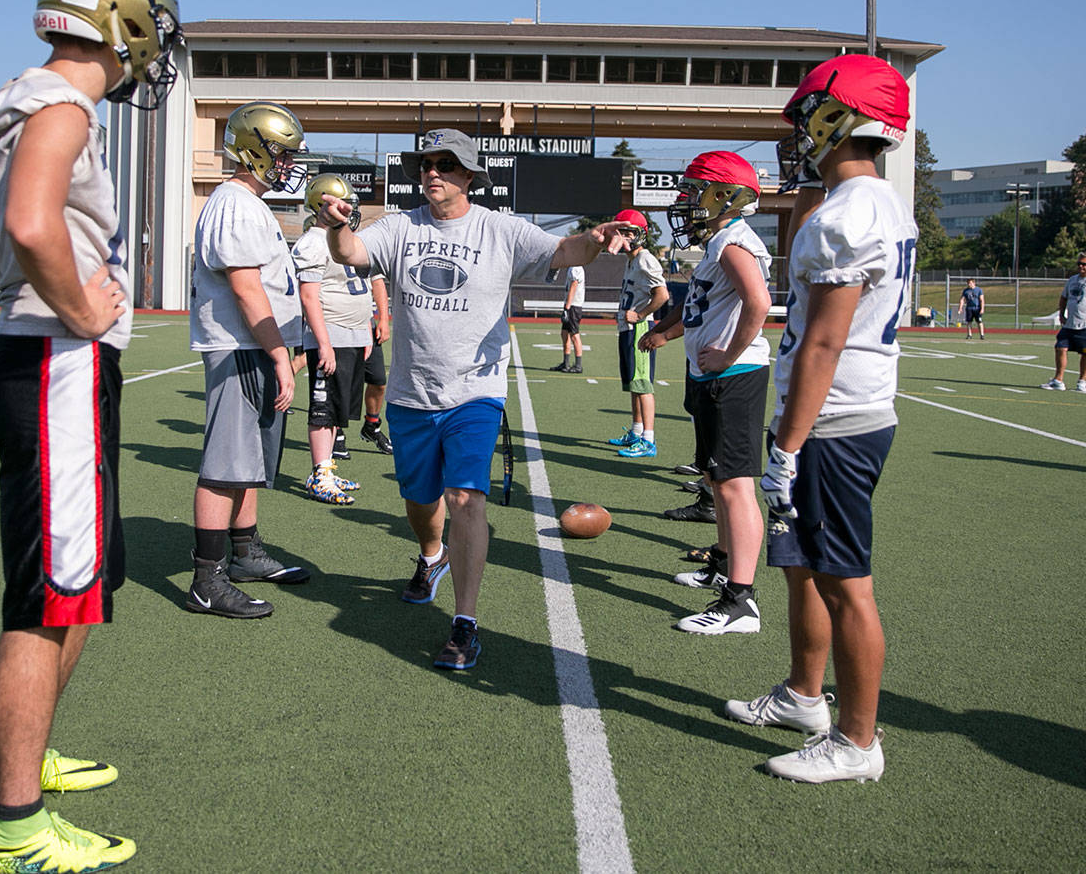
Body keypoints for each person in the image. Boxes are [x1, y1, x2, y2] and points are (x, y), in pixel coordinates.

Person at [0, 0, 181, 871]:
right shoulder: (59, 103)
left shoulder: (6, 100)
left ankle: (27, 754)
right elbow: (35, 224)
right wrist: (78, 303)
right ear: (120, 15)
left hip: (37, 359)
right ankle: (16, 823)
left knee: (79, 588)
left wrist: (19, 284)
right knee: (48, 601)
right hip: (56, 365)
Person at [317, 128, 633, 669]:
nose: (431, 172)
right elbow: (352, 251)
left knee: (466, 499)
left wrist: (597, 239)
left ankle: (465, 622)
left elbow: (563, 250)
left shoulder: (502, 230)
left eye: (444, 164)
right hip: (412, 394)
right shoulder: (399, 227)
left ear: (468, 175)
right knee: (421, 502)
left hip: (475, 392)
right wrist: (337, 225)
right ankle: (431, 555)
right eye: (426, 164)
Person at [724, 53, 917, 784]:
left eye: (810, 114)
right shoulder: (876, 203)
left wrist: (787, 445)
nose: (800, 130)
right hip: (843, 411)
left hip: (835, 420)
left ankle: (857, 742)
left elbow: (826, 341)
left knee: (844, 581)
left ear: (840, 116)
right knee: (802, 567)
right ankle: (807, 695)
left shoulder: (847, 214)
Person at [187, 100, 312, 620]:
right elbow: (246, 289)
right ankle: (206, 579)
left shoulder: (250, 203)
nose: (289, 165)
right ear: (254, 151)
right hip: (242, 347)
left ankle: (245, 553)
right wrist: (280, 355)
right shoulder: (234, 203)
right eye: (281, 154)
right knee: (225, 464)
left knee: (250, 461)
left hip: (256, 347)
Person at [639, 151, 772, 635]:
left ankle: (740, 601)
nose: (685, 202)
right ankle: (721, 562)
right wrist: (665, 336)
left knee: (735, 485)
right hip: (710, 376)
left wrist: (727, 356)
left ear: (723, 195)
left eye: (694, 192)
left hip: (732, 378)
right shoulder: (719, 242)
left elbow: (759, 303)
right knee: (717, 480)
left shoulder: (735, 243)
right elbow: (698, 311)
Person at [294, 174, 370, 504]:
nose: (347, 209)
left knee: (338, 408)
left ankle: (327, 467)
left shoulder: (342, 238)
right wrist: (323, 342)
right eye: (341, 203)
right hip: (331, 334)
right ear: (322, 204)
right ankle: (319, 473)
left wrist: (364, 330)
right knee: (323, 408)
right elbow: (309, 296)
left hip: (351, 334)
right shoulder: (312, 242)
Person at [606, 209, 669, 458]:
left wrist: (640, 314)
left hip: (639, 329)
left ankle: (648, 440)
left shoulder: (644, 258)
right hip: (627, 328)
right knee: (634, 383)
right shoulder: (632, 259)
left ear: (641, 235)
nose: (624, 237)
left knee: (643, 384)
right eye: (621, 232)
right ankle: (636, 430)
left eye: (629, 232)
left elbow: (662, 295)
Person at [358, 275, 396, 453]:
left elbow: (377, 282)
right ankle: (336, 432)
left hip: (366, 323)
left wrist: (383, 319)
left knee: (378, 380)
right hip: (337, 323)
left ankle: (371, 425)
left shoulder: (366, 251)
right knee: (341, 382)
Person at [1040, 254, 1086, 391]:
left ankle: (1082, 382)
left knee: (1085, 353)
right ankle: (1058, 380)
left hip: (1085, 325)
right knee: (1060, 347)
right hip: (1070, 323)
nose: (1081, 267)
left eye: (1084, 264)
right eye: (1079, 264)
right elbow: (1064, 298)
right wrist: (1061, 313)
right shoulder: (1072, 280)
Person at [550, 264, 585, 373]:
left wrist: (567, 307)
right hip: (570, 305)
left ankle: (578, 365)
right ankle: (566, 363)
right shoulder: (572, 267)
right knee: (564, 333)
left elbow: (574, 285)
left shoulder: (576, 267)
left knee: (574, 335)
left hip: (573, 306)